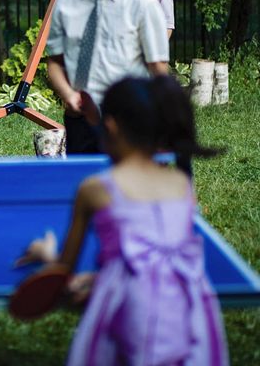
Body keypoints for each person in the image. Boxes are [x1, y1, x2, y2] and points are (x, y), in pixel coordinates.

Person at [18, 76, 229, 366]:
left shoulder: (94, 189)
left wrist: (46, 255)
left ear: (111, 125)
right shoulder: (182, 185)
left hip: (128, 316)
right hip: (189, 313)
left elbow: (62, 276)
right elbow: (158, 261)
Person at [47, 0, 169, 154]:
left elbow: (158, 68)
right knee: (87, 188)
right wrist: (69, 95)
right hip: (81, 117)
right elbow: (55, 63)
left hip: (129, 116)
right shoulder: (66, 4)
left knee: (127, 189)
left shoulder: (144, 4)